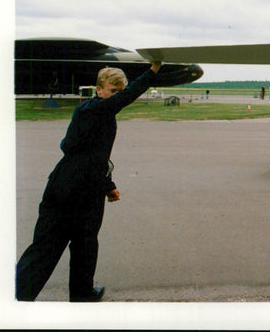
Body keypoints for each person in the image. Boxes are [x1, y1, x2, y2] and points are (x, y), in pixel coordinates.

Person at [16, 61, 162, 302]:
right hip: (69, 191)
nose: (117, 95)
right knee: (45, 249)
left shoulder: (100, 114)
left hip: (85, 187)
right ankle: (15, 298)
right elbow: (125, 99)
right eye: (113, 91)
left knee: (84, 247)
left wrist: (109, 185)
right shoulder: (93, 109)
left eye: (119, 90)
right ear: (99, 89)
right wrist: (153, 71)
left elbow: (97, 156)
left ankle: (81, 295)